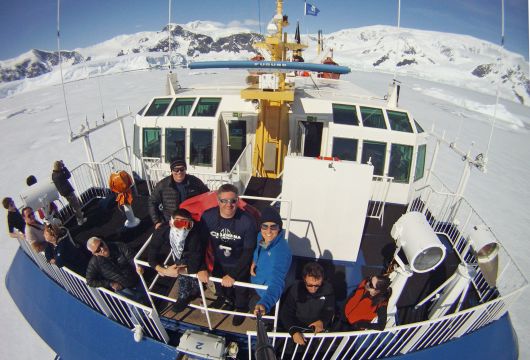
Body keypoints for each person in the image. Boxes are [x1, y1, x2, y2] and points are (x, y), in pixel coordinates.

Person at [200, 183, 257, 326]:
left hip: (239, 263)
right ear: (218, 201)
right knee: (221, 287)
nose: (228, 204)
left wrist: (234, 274)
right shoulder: (208, 217)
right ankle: (226, 300)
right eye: (224, 200)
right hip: (219, 262)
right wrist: (201, 267)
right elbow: (199, 243)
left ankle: (240, 308)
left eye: (233, 200)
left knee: (241, 291)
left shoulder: (247, 221)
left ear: (238, 201)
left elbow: (249, 250)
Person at [148, 208, 207, 313]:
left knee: (189, 268)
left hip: (198, 250)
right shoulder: (162, 231)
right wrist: (164, 270)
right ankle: (189, 292)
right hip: (178, 252)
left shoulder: (195, 235)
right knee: (180, 264)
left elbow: (195, 262)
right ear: (171, 223)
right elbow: (151, 257)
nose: (183, 229)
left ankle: (188, 293)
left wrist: (175, 271)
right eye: (178, 224)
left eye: (187, 225)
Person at [250, 206, 292, 317]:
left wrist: (265, 304)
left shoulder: (281, 252)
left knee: (256, 311)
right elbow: (260, 249)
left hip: (267, 293)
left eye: (273, 227)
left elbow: (277, 282)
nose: (268, 231)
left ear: (279, 228)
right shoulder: (261, 237)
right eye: (265, 226)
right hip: (257, 283)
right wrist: (255, 261)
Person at [280, 262, 335, 346]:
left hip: (316, 330)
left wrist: (322, 321)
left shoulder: (328, 290)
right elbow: (286, 313)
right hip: (296, 327)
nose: (313, 288)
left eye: (317, 285)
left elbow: (329, 309)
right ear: (304, 279)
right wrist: (293, 331)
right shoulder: (295, 290)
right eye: (309, 285)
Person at [148, 159, 209, 230]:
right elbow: (152, 201)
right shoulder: (163, 185)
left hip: (191, 221)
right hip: (170, 222)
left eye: (182, 169)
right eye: (176, 170)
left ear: (185, 169)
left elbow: (207, 196)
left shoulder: (195, 182)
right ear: (172, 170)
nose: (179, 172)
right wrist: (157, 221)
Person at [85, 237, 145, 302]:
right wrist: (110, 283)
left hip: (137, 280)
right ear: (94, 253)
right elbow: (90, 281)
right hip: (124, 289)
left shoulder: (118, 246)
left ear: (103, 241)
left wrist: (138, 266)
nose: (102, 249)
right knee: (137, 309)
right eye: (98, 250)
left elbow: (131, 257)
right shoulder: (94, 263)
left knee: (150, 301)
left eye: (101, 244)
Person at [51, 160, 86, 226]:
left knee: (73, 205)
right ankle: (80, 219)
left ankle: (79, 215)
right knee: (76, 206)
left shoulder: (53, 175)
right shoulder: (60, 174)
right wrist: (64, 167)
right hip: (68, 192)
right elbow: (68, 175)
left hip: (65, 193)